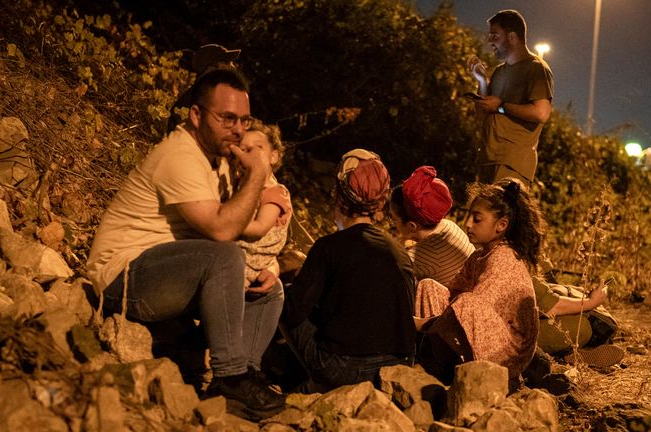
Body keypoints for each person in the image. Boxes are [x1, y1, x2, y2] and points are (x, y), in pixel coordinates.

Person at [87, 68, 286, 421]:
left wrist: (270, 266)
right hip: (124, 277)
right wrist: (257, 175)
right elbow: (224, 232)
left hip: (174, 272)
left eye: (244, 120)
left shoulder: (221, 158)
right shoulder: (180, 155)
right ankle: (229, 377)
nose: (238, 130)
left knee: (269, 290)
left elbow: (244, 229)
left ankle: (244, 371)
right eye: (227, 118)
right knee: (223, 256)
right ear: (196, 115)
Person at [280, 149, 416, 393]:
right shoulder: (399, 251)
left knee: (281, 299)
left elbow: (292, 313)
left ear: (339, 195)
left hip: (343, 368)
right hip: (397, 366)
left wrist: (288, 279)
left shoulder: (328, 247)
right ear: (381, 201)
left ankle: (314, 384)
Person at [414, 178, 544, 388]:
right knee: (429, 287)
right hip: (485, 332)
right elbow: (451, 294)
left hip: (509, 351)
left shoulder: (504, 258)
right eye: (468, 216)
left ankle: (436, 365)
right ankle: (437, 361)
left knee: (468, 303)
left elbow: (471, 309)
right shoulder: (479, 256)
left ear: (501, 225)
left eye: (477, 219)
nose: (467, 224)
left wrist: (420, 323)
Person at [467, 10, 554, 186]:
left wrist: (501, 106)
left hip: (512, 164)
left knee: (501, 213)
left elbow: (541, 113)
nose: (490, 41)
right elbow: (483, 116)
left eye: (495, 36)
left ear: (512, 37)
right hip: (487, 159)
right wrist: (482, 81)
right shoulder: (499, 72)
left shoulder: (536, 68)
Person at [389, 166, 475, 287]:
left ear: (412, 226)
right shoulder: (449, 226)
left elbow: (390, 276)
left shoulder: (420, 255)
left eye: (393, 218)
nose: (391, 223)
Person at [234, 121, 293, 291]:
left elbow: (259, 228)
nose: (249, 153)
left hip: (249, 263)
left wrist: (226, 220)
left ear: (273, 157)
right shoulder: (238, 183)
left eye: (258, 148)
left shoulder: (275, 192)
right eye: (243, 149)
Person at [533, 277, 624, 367]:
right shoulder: (521, 265)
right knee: (581, 327)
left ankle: (572, 352)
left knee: (581, 316)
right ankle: (567, 354)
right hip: (522, 335)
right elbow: (554, 307)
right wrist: (591, 302)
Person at [167, 44, 241, 133]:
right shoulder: (196, 99)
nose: (232, 67)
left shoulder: (213, 97)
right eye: (226, 63)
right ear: (211, 68)